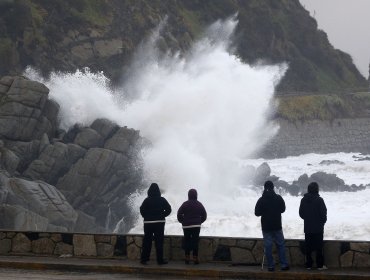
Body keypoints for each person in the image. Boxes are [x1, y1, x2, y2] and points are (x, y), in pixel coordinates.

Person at [255, 181, 289, 271]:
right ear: (273, 188)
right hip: (277, 225)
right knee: (281, 245)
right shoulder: (278, 198)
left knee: (268, 246)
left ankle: (271, 265)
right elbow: (283, 209)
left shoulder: (261, 200)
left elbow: (256, 213)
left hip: (266, 227)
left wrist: (264, 211)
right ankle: (284, 265)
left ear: (264, 188)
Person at [139, 183, 172, 265]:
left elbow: (141, 209)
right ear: (158, 191)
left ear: (149, 191)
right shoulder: (162, 199)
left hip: (148, 223)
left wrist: (146, 216)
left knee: (147, 241)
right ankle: (160, 260)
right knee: (159, 241)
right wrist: (163, 215)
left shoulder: (146, 200)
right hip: (159, 223)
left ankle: (144, 259)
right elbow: (169, 209)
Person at [299, 182, 327, 270]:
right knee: (319, 247)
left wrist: (307, 219)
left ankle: (309, 265)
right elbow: (323, 213)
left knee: (308, 247)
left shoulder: (303, 200)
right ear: (317, 189)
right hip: (318, 228)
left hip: (308, 227)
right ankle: (320, 265)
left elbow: (301, 213)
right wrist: (323, 222)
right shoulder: (319, 200)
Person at [177, 188, 207, 265]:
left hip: (186, 226)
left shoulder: (185, 204)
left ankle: (187, 257)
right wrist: (200, 222)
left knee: (187, 240)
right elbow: (204, 215)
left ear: (188, 195)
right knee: (195, 241)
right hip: (196, 226)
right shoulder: (199, 204)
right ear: (196, 195)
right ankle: (195, 258)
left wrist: (182, 221)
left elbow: (179, 213)